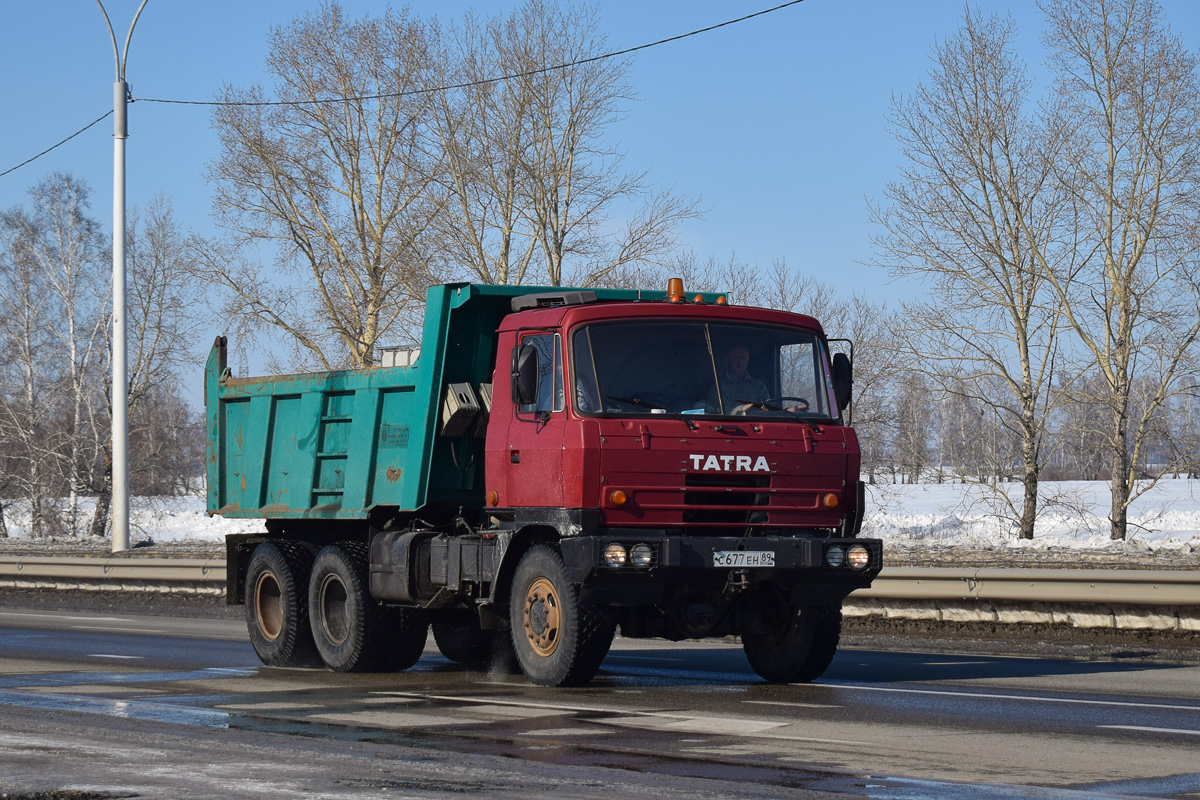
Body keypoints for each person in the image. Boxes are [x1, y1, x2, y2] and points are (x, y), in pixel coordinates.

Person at [706, 345, 769, 414]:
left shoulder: (759, 386)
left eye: (743, 358)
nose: (740, 362)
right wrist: (743, 408)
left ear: (748, 361)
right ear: (727, 361)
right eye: (736, 358)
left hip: (757, 423)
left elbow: (769, 410)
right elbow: (718, 412)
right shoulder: (718, 388)